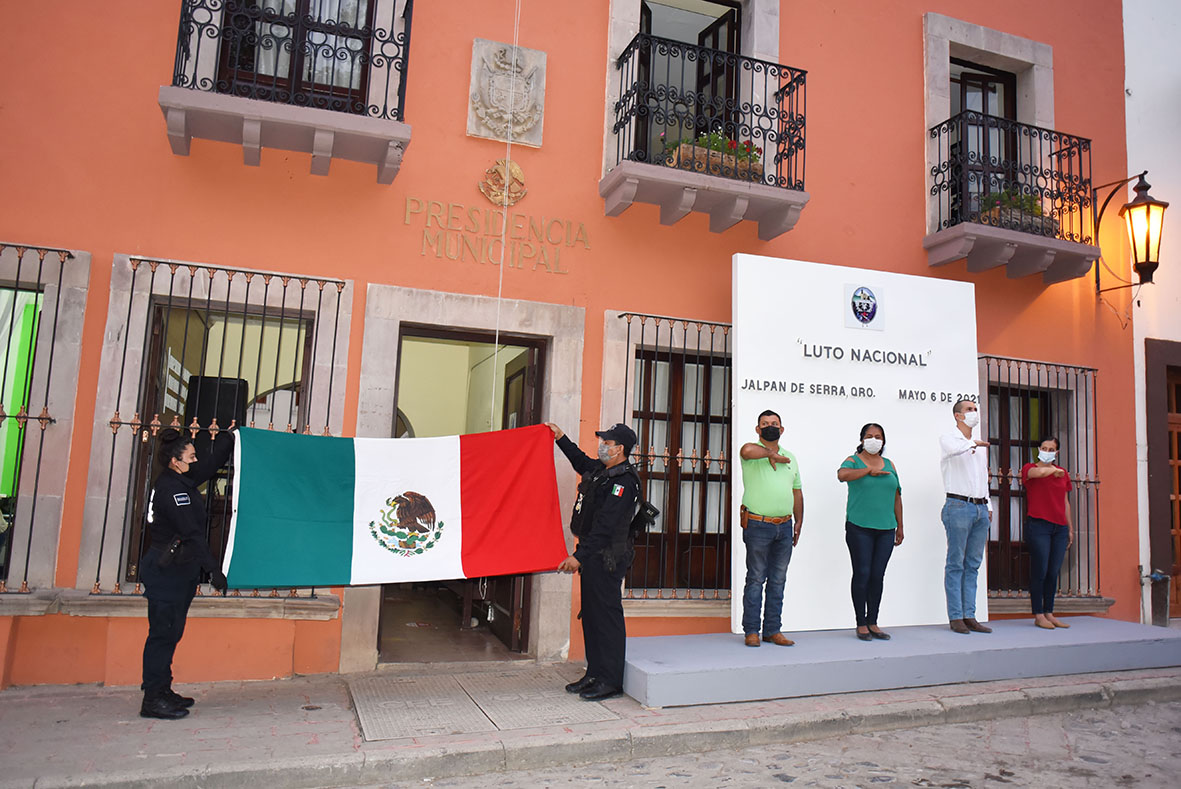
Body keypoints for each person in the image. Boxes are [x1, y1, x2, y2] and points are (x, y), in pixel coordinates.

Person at [138, 427, 233, 719]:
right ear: (175, 461)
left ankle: (163, 690)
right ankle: (152, 700)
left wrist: (229, 440)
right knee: (162, 636)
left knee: (171, 633)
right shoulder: (173, 491)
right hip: (167, 573)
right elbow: (192, 534)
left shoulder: (179, 479)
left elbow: (206, 468)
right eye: (190, 457)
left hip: (178, 571)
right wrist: (214, 570)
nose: (195, 461)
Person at [546, 421, 640, 701]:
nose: (602, 446)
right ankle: (595, 674)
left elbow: (606, 526)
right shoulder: (603, 471)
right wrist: (560, 437)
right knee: (592, 617)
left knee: (607, 619)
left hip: (607, 557)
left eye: (607, 443)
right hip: (592, 556)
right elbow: (578, 459)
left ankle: (610, 681)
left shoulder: (624, 482)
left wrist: (578, 556)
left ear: (620, 448)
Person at [738, 410, 804, 647]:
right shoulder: (752, 452)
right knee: (756, 578)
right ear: (758, 429)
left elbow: (797, 491)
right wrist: (771, 455)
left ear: (782, 429)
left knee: (778, 580)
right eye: (764, 424)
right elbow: (746, 450)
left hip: (784, 526)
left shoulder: (791, 458)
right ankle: (752, 631)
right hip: (758, 524)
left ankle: (772, 630)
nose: (770, 427)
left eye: (774, 424)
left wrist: (799, 521)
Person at [837, 423, 904, 641]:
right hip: (859, 527)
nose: (873, 439)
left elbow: (897, 496)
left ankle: (873, 621)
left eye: (878, 436)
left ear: (883, 440)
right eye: (869, 436)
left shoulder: (890, 464)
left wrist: (900, 526)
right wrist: (867, 470)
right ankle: (860, 623)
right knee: (862, 573)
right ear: (862, 439)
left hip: (886, 528)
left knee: (878, 575)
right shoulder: (853, 460)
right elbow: (841, 474)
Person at [939, 399, 992, 635]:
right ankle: (956, 616)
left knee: (973, 564)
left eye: (974, 409)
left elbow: (983, 478)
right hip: (958, 505)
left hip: (980, 508)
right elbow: (954, 450)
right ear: (958, 416)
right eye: (969, 410)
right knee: (955, 563)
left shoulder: (979, 448)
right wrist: (972, 443)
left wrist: (988, 505)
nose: (974, 413)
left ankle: (970, 614)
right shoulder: (950, 438)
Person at [1021, 436, 1074, 630]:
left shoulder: (1063, 474)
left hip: (1059, 528)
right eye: (1044, 448)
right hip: (1039, 526)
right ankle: (1038, 614)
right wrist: (1051, 471)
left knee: (1053, 571)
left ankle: (1049, 612)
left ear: (1057, 452)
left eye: (1051, 449)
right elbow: (1037, 473)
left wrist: (1070, 528)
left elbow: (1065, 502)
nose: (1047, 451)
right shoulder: (1029, 468)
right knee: (1040, 570)